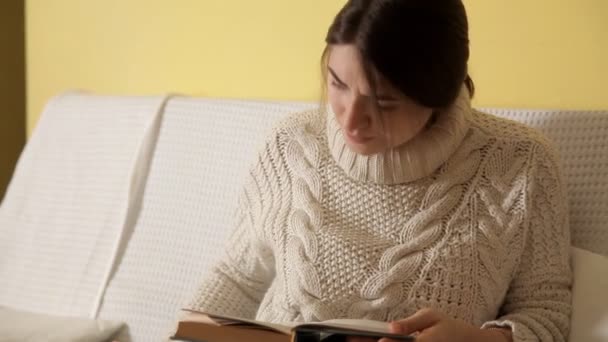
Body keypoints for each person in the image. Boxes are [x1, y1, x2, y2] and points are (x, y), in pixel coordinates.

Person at [184, 0, 572, 341]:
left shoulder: (522, 162)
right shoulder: (291, 144)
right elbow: (238, 274)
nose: (351, 119)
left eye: (383, 102)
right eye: (337, 83)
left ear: (438, 93)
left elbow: (547, 314)